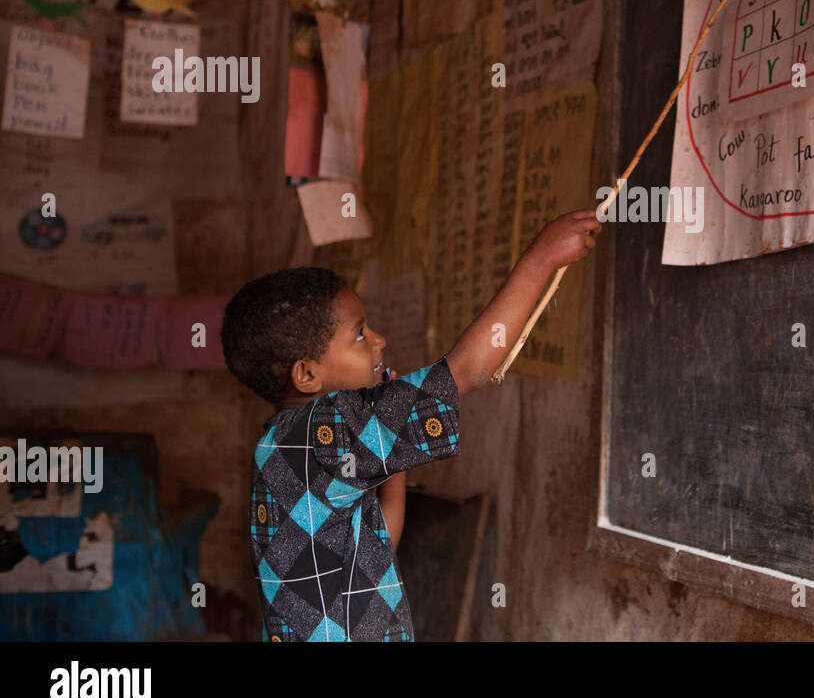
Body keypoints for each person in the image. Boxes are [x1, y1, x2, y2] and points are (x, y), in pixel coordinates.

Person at [220, 209, 601, 640]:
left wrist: (392, 453)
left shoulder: (279, 443)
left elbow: (379, 546)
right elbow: (470, 370)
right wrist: (541, 257)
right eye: (361, 334)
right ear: (306, 374)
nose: (379, 341)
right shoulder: (329, 426)